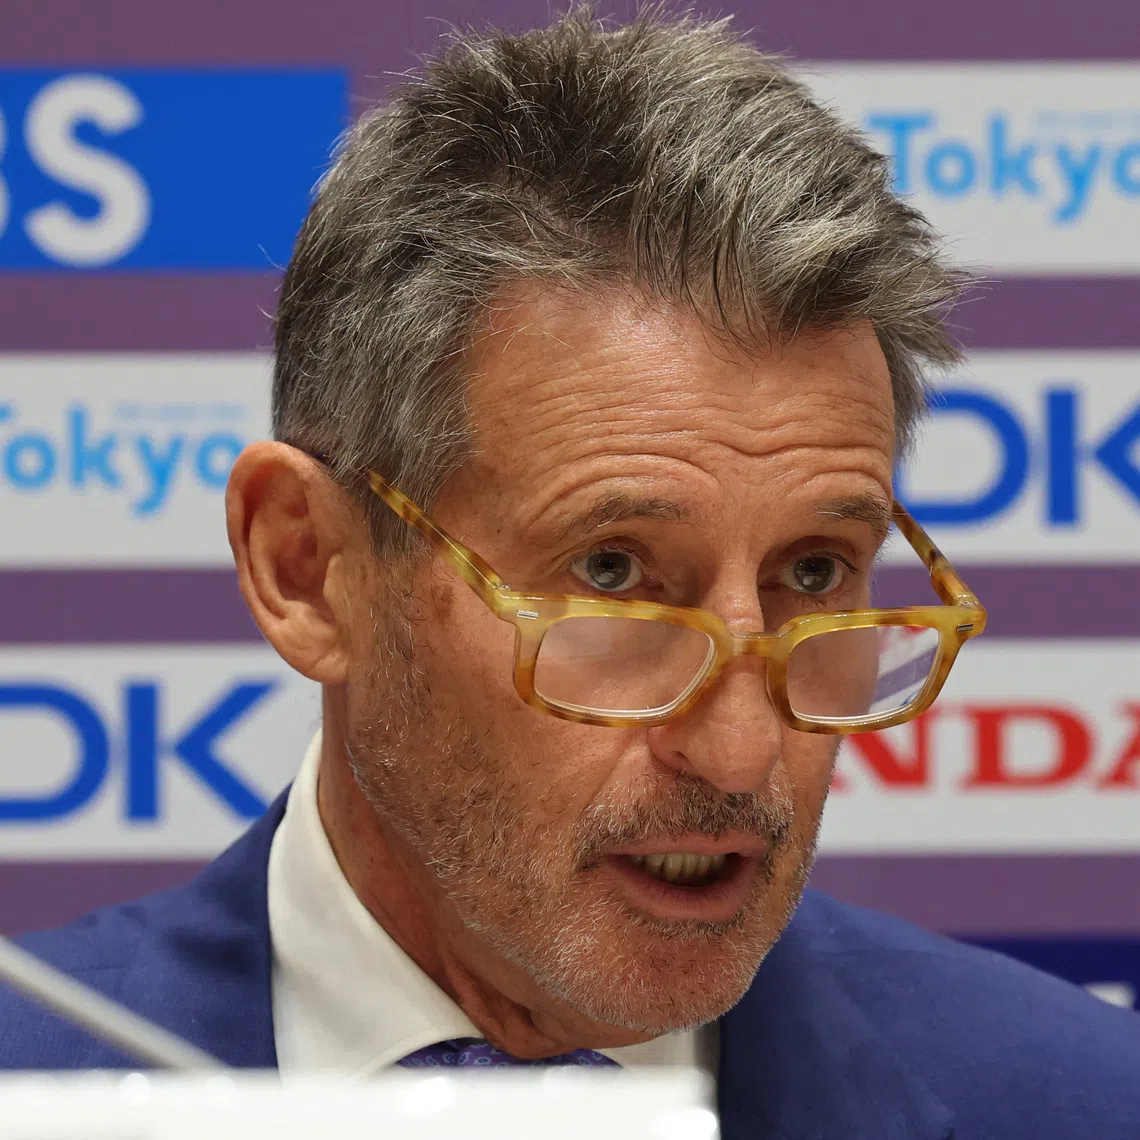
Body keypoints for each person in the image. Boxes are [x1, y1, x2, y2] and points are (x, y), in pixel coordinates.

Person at [2, 9, 1137, 1136]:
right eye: (612, 569)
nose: (741, 753)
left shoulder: (1078, 1102)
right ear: (307, 565)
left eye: (812, 572)